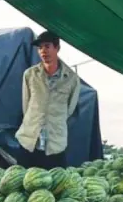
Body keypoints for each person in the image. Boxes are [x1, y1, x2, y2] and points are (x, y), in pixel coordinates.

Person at [15, 30, 80, 168]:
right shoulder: (30, 74)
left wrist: (52, 118)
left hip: (55, 145)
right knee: (24, 184)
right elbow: (26, 105)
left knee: (54, 186)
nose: (43, 51)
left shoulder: (71, 79)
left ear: (57, 48)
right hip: (29, 142)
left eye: (47, 46)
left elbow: (69, 109)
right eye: (40, 48)